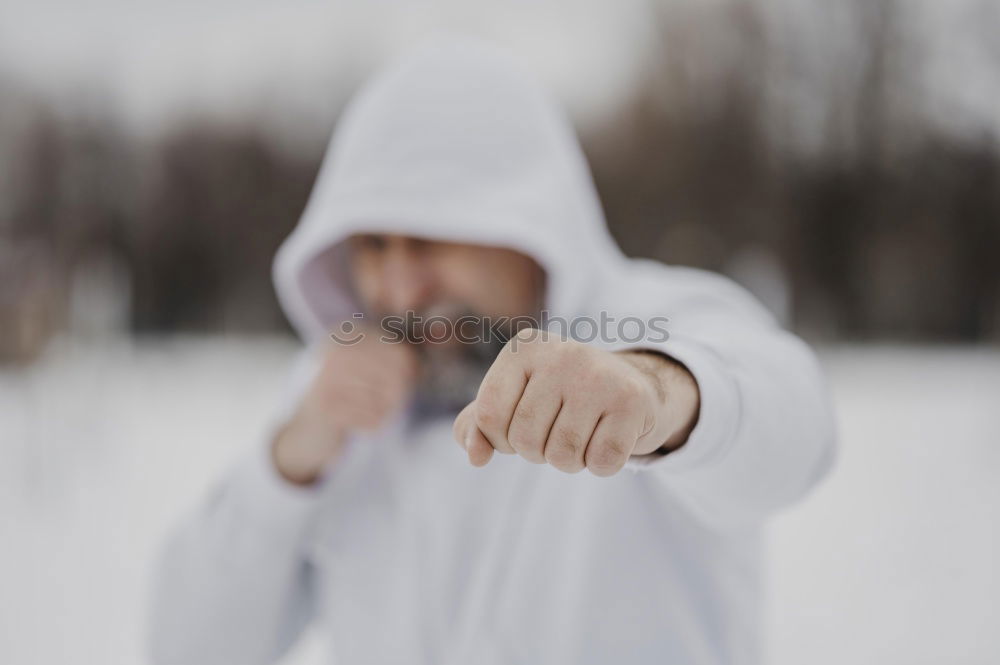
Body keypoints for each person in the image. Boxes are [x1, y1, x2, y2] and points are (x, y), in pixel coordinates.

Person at [149, 38, 836, 665]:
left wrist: (657, 394)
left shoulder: (651, 323)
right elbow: (185, 647)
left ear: (525, 219)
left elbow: (795, 427)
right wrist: (288, 464)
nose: (399, 286)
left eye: (430, 238)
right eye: (372, 245)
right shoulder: (333, 399)